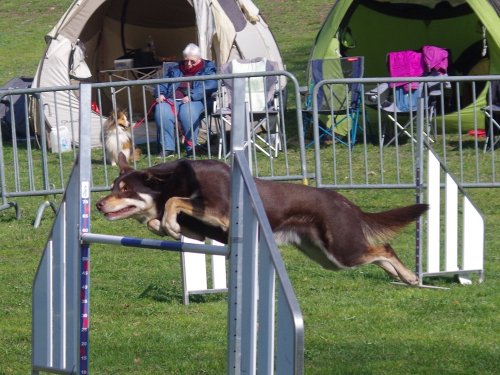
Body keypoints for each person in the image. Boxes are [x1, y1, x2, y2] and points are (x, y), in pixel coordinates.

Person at [153, 43, 218, 158]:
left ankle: (191, 147)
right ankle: (167, 148)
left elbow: (211, 84)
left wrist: (192, 96)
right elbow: (163, 82)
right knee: (161, 109)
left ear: (199, 58)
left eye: (192, 61)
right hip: (172, 99)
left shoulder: (208, 68)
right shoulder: (175, 68)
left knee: (187, 111)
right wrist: (160, 94)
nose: (188, 64)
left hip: (197, 100)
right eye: (186, 61)